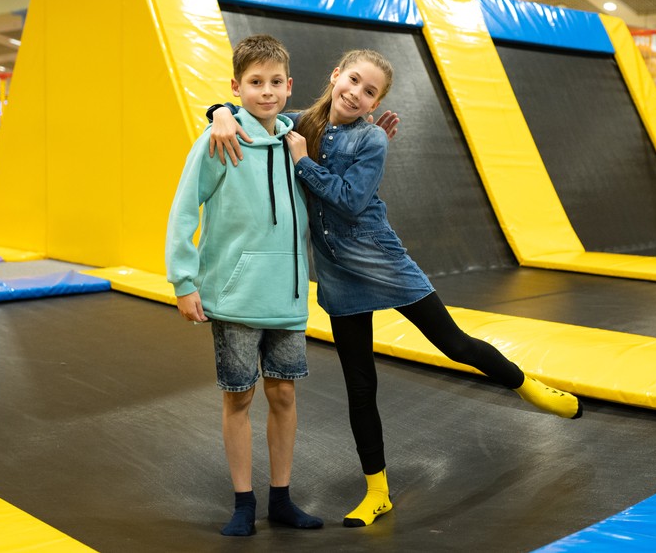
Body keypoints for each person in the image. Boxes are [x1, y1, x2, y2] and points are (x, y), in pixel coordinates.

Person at [209, 49, 582, 529]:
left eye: (370, 92)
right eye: (354, 81)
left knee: (455, 344)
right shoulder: (299, 122)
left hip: (382, 260)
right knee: (360, 388)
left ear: (376, 103)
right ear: (335, 74)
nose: (356, 94)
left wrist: (303, 162)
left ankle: (528, 387)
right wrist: (218, 112)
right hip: (339, 277)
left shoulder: (368, 140)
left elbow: (347, 201)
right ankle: (377, 491)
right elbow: (254, 109)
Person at [165, 34, 322, 536]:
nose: (267, 92)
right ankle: (241, 502)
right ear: (237, 87)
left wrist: (378, 128)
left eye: (276, 82)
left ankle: (281, 497)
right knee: (239, 398)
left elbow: (343, 113)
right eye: (255, 83)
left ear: (289, 86)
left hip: (288, 296)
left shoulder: (297, 140)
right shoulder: (220, 138)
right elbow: (184, 209)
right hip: (234, 297)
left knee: (284, 397)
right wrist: (183, 281)